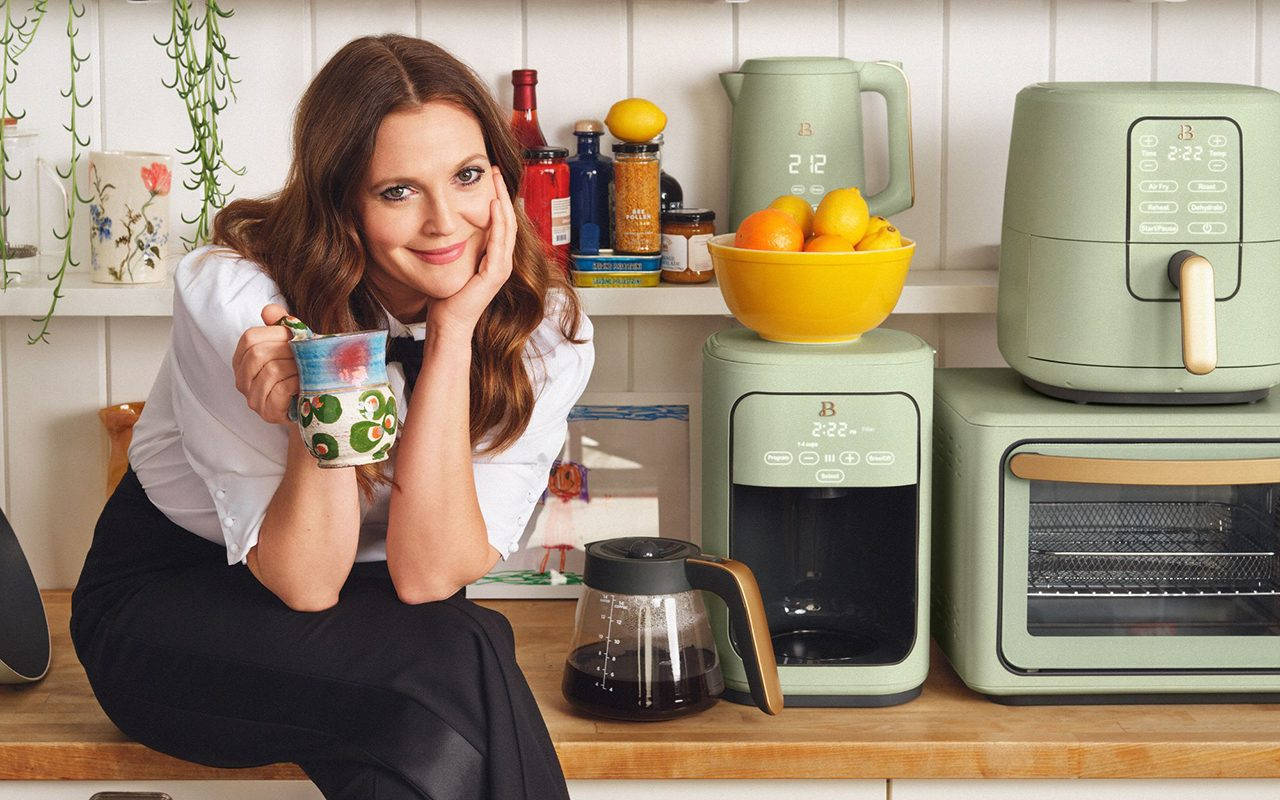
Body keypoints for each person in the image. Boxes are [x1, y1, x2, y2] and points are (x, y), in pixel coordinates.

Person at [69, 34, 592, 800]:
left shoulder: (544, 332)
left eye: (468, 176)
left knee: (442, 690)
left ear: (503, 183)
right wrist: (320, 395)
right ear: (341, 202)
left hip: (388, 622)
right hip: (177, 609)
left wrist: (452, 334)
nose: (446, 222)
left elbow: (427, 574)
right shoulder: (239, 296)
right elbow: (307, 582)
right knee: (467, 653)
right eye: (398, 191)